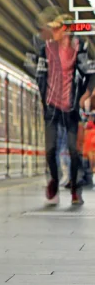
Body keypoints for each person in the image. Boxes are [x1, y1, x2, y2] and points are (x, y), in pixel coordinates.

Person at [34, 14, 94, 205]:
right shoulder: (46, 50)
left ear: (66, 30)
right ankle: (53, 180)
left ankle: (75, 187)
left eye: (57, 28)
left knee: (73, 150)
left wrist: (86, 94)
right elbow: (40, 76)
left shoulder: (80, 49)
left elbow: (91, 73)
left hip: (70, 107)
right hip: (51, 107)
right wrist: (44, 98)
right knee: (50, 149)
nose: (53, 32)